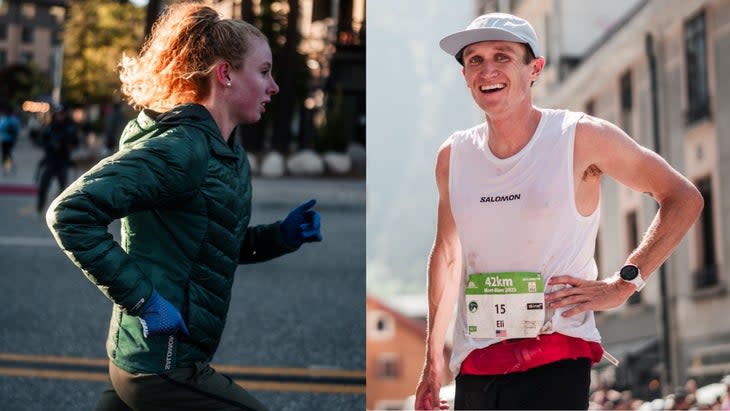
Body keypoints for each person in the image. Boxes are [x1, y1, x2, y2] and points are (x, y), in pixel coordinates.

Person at [414, 12, 703, 410]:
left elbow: (683, 197)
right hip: (477, 363)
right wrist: (432, 361)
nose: (487, 70)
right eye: (475, 60)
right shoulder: (453, 155)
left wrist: (623, 283)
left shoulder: (580, 137)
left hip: (556, 355)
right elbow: (447, 256)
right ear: (464, 74)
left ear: (534, 69)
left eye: (503, 56)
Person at [46, 3, 322, 411]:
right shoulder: (182, 150)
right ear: (225, 74)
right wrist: (145, 302)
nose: (274, 86)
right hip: (162, 366)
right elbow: (69, 214)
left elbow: (205, 246)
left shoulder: (224, 149)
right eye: (263, 72)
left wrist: (278, 236)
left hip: (150, 358)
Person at [36, 106, 78, 214]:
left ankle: (58, 210)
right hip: (50, 161)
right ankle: (40, 207)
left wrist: (67, 145)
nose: (60, 116)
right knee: (43, 186)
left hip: (62, 162)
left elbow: (75, 142)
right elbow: (40, 140)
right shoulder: (49, 127)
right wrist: (51, 144)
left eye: (62, 114)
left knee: (63, 189)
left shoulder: (69, 127)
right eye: (58, 114)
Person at [0, 104, 21, 174]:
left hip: (9, 139)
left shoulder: (7, 119)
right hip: (7, 139)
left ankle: (7, 167)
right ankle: (7, 166)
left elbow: (1, 128)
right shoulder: (11, 119)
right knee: (7, 153)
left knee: (7, 153)